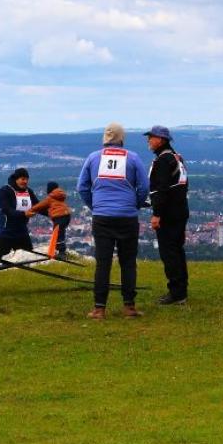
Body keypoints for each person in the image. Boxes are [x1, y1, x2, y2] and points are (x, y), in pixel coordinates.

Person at [77, 122, 149, 319]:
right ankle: (129, 307)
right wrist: (135, 205)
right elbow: (143, 187)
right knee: (127, 262)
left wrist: (95, 206)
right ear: (122, 139)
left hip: (102, 218)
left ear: (104, 139)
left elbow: (82, 187)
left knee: (103, 263)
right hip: (127, 217)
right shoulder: (133, 158)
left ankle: (99, 308)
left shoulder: (93, 158)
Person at [144, 125, 189, 304]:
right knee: (177, 251)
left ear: (161, 140)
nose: (148, 141)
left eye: (151, 137)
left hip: (169, 214)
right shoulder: (176, 157)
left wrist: (157, 214)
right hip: (180, 210)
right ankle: (181, 290)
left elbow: (161, 189)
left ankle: (176, 293)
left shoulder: (163, 160)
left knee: (169, 253)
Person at [0, 167, 39, 267]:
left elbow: (38, 206)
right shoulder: (5, 191)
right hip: (4, 232)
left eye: (27, 179)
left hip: (21, 231)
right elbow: (6, 210)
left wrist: (53, 213)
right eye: (22, 179)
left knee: (29, 256)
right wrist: (24, 214)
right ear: (16, 179)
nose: (25, 182)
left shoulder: (28, 192)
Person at [26, 181, 72, 259]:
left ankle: (61, 253)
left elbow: (40, 206)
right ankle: (61, 250)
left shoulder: (50, 198)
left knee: (57, 234)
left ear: (49, 189)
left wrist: (30, 210)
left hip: (59, 217)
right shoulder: (60, 196)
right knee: (61, 233)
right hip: (67, 216)